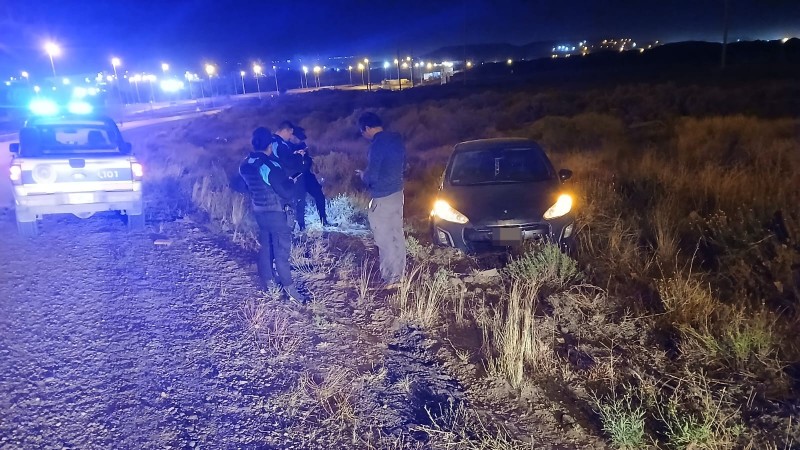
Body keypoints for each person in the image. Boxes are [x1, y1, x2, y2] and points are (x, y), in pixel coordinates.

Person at [239, 126, 309, 303]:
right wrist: (291, 182)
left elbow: (241, 186)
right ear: (269, 145)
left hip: (259, 212)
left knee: (266, 248)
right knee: (281, 253)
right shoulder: (270, 165)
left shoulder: (245, 163)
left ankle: (270, 284)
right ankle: (291, 291)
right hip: (277, 214)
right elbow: (285, 191)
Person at [356, 112, 406, 286]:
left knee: (384, 238)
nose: (364, 136)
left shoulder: (377, 145)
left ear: (367, 128)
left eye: (362, 132)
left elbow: (373, 176)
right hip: (398, 194)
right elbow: (403, 165)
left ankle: (391, 278)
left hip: (382, 197)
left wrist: (363, 176)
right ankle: (400, 275)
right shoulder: (397, 140)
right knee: (397, 234)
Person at [288, 126, 337, 228]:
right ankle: (301, 226)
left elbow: (307, 162)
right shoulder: (288, 147)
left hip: (307, 175)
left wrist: (305, 160)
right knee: (300, 202)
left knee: (319, 196)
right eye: (298, 138)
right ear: (292, 136)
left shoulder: (302, 145)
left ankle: (324, 221)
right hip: (297, 177)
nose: (300, 140)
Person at [270, 121, 310, 230]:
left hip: (275, 179)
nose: (290, 137)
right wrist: (299, 156)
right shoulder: (280, 144)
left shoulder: (271, 141)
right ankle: (298, 227)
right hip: (287, 178)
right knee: (295, 201)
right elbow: (289, 162)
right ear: (285, 131)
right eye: (290, 133)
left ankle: (290, 227)